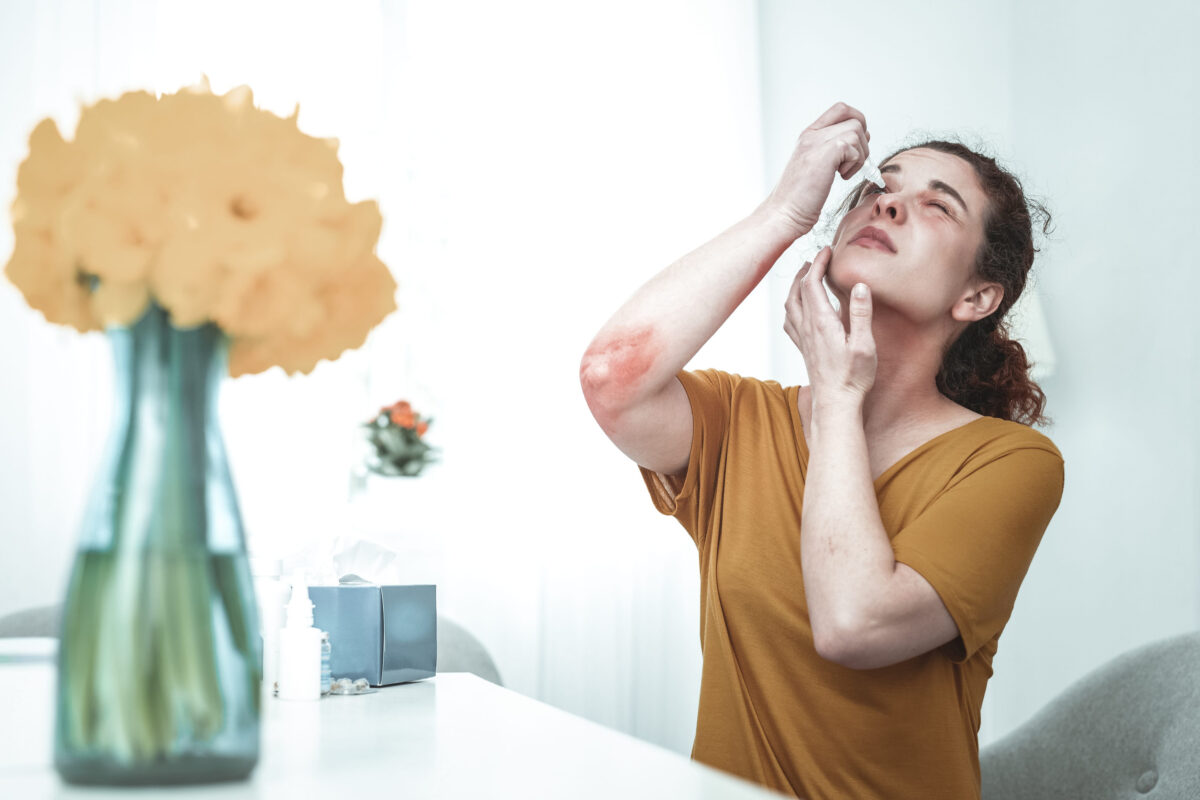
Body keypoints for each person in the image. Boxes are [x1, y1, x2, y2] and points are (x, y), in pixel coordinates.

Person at [578, 101, 1065, 800]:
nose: (889, 204)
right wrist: (782, 213)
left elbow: (855, 623)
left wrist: (838, 399)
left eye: (938, 206)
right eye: (881, 185)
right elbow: (611, 376)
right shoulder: (744, 420)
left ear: (978, 296)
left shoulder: (1011, 463)